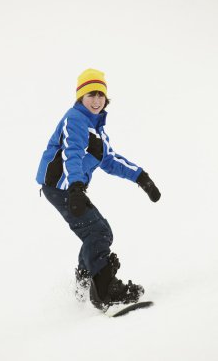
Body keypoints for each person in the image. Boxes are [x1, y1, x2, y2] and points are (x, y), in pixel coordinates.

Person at [36, 68, 161, 310]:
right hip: (62, 187)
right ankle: (104, 290)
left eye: (100, 95)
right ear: (80, 97)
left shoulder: (97, 128)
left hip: (71, 188)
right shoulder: (75, 119)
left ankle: (85, 281)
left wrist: (141, 177)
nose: (96, 100)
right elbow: (71, 153)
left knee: (98, 230)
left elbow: (110, 160)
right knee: (98, 232)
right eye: (90, 95)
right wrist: (76, 187)